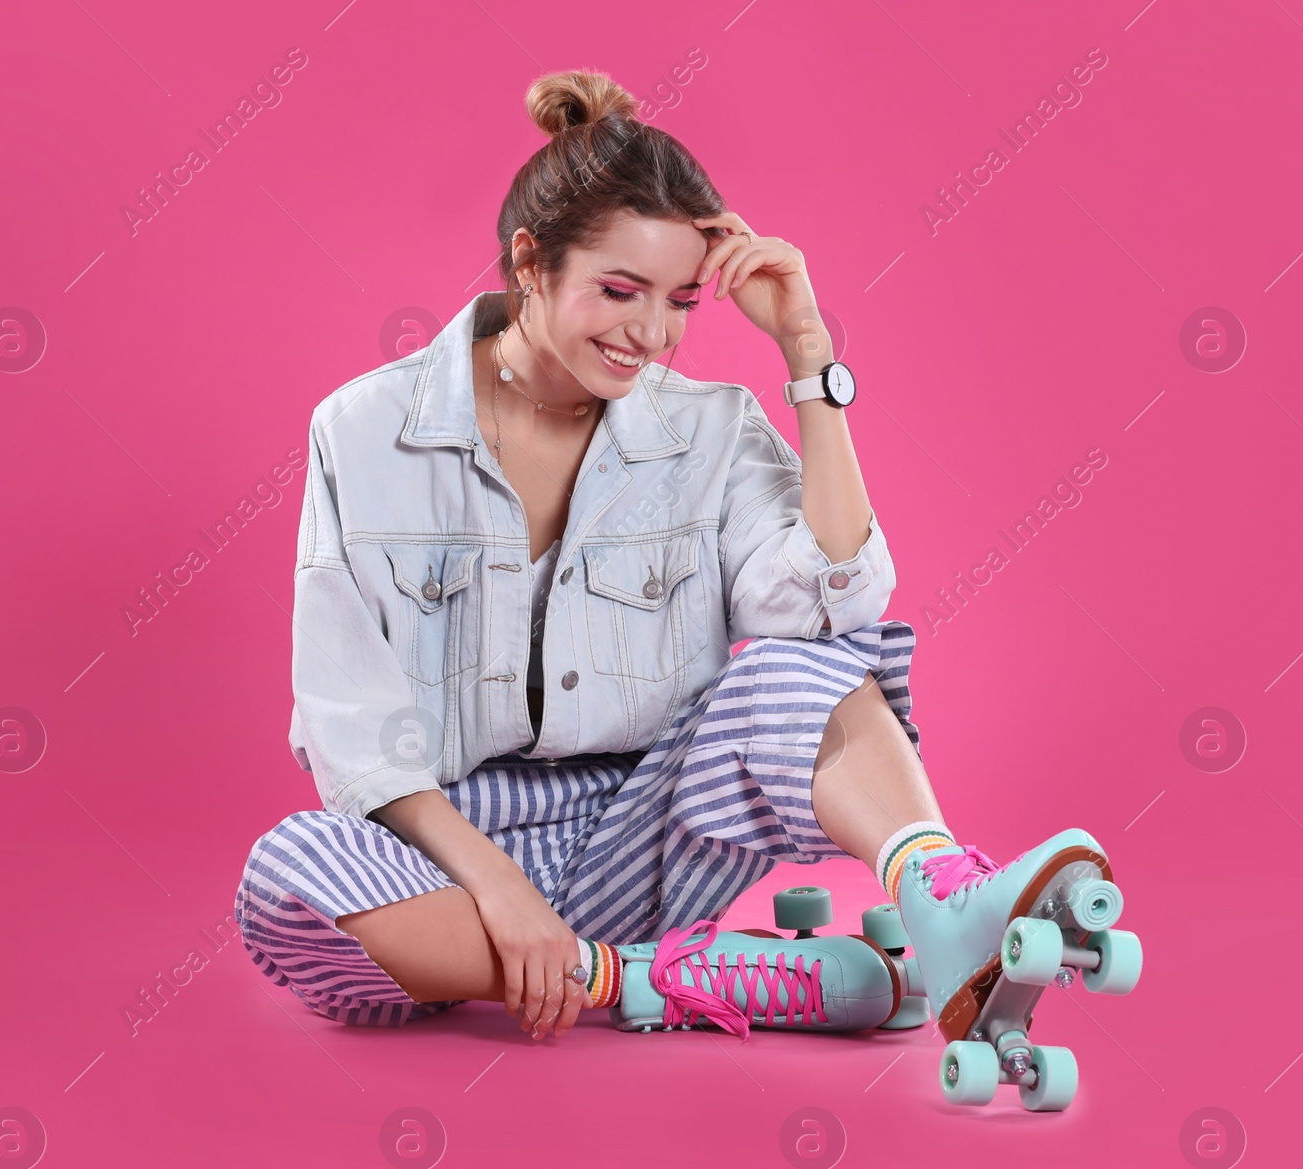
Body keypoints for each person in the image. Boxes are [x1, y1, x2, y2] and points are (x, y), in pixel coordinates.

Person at [235, 69, 1138, 1108]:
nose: (651, 336)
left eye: (678, 302)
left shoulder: (707, 427)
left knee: (804, 666)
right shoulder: (362, 427)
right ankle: (656, 979)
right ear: (529, 262)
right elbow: (350, 720)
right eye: (618, 293)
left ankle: (940, 899)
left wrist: (809, 358)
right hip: (449, 864)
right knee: (286, 883)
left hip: (649, 826)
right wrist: (502, 889)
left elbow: (836, 605)